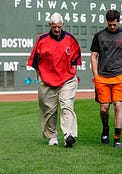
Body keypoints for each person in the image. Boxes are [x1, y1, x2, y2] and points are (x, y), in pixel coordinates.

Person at [27, 12, 82, 148]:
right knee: (49, 110)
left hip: (67, 79)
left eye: (58, 26)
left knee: (67, 105)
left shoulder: (70, 39)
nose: (57, 29)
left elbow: (76, 58)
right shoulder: (42, 40)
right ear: (49, 25)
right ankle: (52, 136)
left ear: (62, 24)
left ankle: (68, 134)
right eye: (54, 26)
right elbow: (35, 62)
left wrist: (73, 74)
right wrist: (39, 78)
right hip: (47, 80)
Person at [90, 10, 122, 148]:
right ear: (106, 22)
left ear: (118, 21)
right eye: (110, 24)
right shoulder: (99, 36)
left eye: (114, 24)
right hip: (102, 77)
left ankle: (117, 138)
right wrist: (96, 75)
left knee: (118, 105)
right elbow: (93, 55)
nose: (112, 27)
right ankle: (105, 128)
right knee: (104, 108)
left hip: (120, 77)